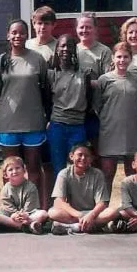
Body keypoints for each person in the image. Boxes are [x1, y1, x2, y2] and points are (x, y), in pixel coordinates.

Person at [0, 19, 50, 206]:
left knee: (34, 168)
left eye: (22, 32)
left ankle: (35, 209)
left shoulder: (37, 59)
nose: (18, 36)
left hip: (33, 122)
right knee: (10, 169)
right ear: (8, 35)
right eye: (14, 32)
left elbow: (45, 90)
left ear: (27, 35)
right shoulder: (2, 61)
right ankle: (9, 208)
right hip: (8, 123)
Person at [95, 42, 137, 191]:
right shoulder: (104, 80)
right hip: (110, 132)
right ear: (113, 58)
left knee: (132, 174)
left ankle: (130, 209)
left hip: (132, 133)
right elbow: (97, 106)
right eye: (118, 57)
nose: (122, 60)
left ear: (131, 59)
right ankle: (104, 210)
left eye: (125, 57)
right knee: (107, 174)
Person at [46, 35, 93, 177]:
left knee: (79, 168)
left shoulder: (84, 74)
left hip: (77, 126)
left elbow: (88, 99)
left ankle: (78, 199)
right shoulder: (51, 74)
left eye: (69, 46)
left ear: (75, 49)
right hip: (57, 126)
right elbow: (47, 100)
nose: (66, 49)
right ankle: (58, 198)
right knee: (58, 169)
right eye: (62, 46)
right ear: (57, 49)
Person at [47, 142, 117, 235]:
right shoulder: (64, 174)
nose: (83, 158)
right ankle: (93, 226)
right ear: (71, 156)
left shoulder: (98, 174)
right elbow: (59, 201)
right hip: (73, 213)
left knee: (112, 212)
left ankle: (75, 226)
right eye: (80, 155)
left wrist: (91, 215)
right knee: (52, 212)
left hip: (92, 213)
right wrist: (79, 215)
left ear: (91, 159)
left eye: (87, 156)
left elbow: (102, 203)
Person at [74, 12, 111, 151]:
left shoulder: (104, 51)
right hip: (76, 109)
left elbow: (108, 80)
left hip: (95, 109)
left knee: (96, 150)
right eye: (81, 27)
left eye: (88, 27)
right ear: (76, 29)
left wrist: (88, 83)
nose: (85, 30)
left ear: (95, 29)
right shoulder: (72, 50)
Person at [0, 155, 49, 233]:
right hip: (11, 216)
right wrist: (13, 215)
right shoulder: (5, 189)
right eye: (10, 170)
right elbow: (7, 206)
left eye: (17, 168)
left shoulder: (31, 187)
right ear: (5, 174)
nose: (14, 171)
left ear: (24, 170)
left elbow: (31, 208)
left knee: (43, 214)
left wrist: (24, 215)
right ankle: (25, 226)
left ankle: (12, 226)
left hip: (28, 216)